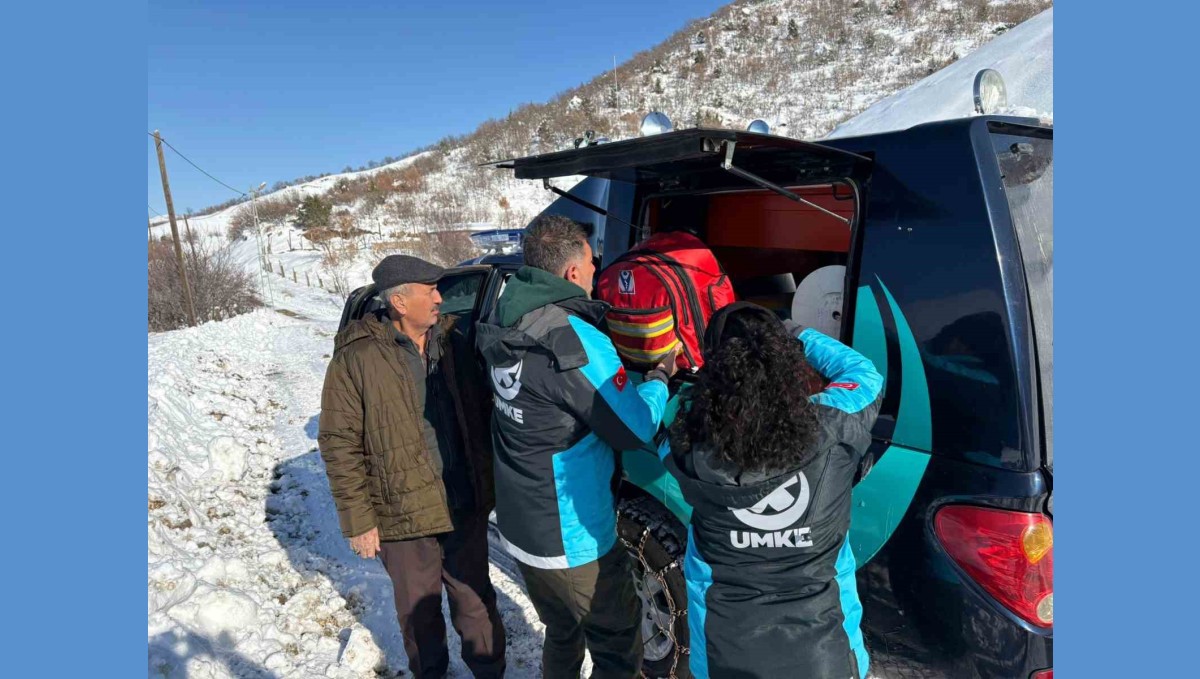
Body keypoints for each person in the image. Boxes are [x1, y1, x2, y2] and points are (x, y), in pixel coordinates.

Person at [475, 215, 678, 678]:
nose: (597, 266)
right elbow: (633, 427)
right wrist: (660, 379)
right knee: (617, 644)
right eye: (591, 259)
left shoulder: (506, 315)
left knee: (563, 631)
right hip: (572, 538)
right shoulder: (572, 340)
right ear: (571, 273)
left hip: (521, 524)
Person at [662, 302, 883, 679]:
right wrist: (792, 332)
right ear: (786, 366)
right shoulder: (832, 424)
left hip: (723, 656)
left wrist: (658, 378)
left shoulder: (687, 448)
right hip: (826, 654)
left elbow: (659, 430)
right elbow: (864, 375)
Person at [318, 254, 506, 679]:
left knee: (476, 602)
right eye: (431, 291)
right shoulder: (357, 358)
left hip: (460, 501)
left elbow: (481, 414)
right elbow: (338, 441)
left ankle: (491, 672)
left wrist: (491, 484)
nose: (441, 299)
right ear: (400, 302)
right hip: (401, 514)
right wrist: (359, 520)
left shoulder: (454, 343)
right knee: (419, 614)